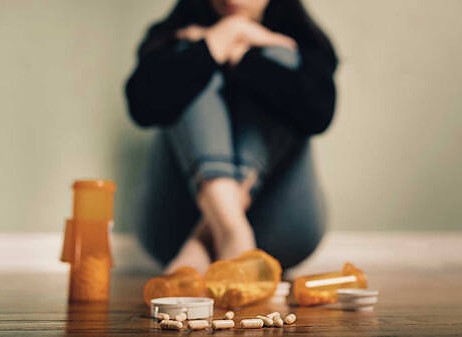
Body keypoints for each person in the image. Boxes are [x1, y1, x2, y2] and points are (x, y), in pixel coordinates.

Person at [125, 0, 337, 274]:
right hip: (171, 228)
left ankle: (204, 241)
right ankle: (231, 230)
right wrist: (218, 40)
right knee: (183, 61)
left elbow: (318, 114)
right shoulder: (175, 32)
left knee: (282, 58)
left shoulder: (300, 38)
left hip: (280, 231)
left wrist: (243, 55)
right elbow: (142, 107)